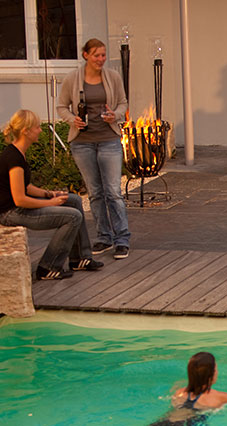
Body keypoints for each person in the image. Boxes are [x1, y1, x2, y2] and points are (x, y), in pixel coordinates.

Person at [0, 110, 103, 280]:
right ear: (26, 131)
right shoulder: (13, 158)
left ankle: (80, 259)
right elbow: (20, 199)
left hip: (18, 207)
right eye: (37, 127)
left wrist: (50, 194)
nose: (40, 130)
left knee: (74, 200)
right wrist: (51, 203)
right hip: (11, 213)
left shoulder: (19, 152)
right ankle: (48, 267)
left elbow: (26, 186)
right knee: (73, 217)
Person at [56, 38, 130, 260]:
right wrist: (73, 120)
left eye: (103, 55)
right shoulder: (73, 78)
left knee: (113, 191)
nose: (101, 59)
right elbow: (61, 106)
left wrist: (115, 115)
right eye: (97, 55)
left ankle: (122, 239)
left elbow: (123, 103)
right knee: (95, 192)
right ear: (85, 55)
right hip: (82, 142)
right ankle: (104, 236)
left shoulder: (113, 77)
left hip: (108, 139)